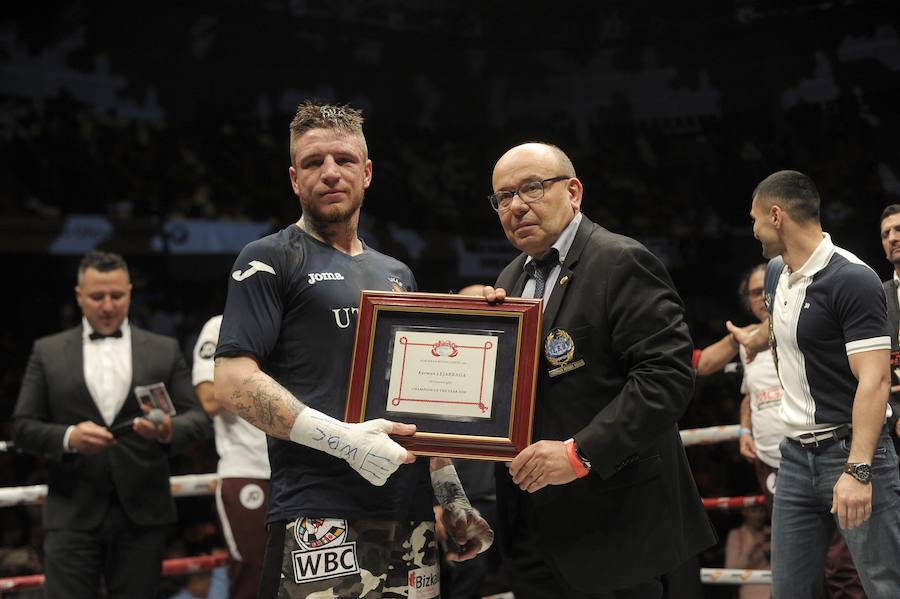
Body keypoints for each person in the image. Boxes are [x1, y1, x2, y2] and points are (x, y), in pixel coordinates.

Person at [212, 101, 492, 598]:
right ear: (294, 179)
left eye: (343, 159)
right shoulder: (268, 258)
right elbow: (232, 382)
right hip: (318, 513)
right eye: (313, 162)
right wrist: (344, 440)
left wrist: (451, 495)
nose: (329, 172)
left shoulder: (398, 274)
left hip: (408, 512)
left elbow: (422, 400)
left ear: (367, 173)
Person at [482, 142, 715, 598]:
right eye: (503, 197)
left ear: (573, 191)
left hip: (619, 525)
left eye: (531, 187)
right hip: (536, 530)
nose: (516, 205)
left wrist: (579, 453)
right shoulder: (509, 279)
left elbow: (665, 379)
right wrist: (478, 337)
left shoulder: (619, 260)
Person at [12, 250, 211, 599]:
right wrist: (69, 437)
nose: (107, 306)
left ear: (130, 293)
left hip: (142, 512)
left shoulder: (163, 350)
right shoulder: (48, 351)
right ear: (78, 296)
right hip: (72, 511)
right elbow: (23, 427)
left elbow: (196, 419)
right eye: (97, 296)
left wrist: (167, 431)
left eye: (116, 296)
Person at [747, 169, 900, 597]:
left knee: (885, 585)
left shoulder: (852, 278)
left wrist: (858, 468)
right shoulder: (777, 273)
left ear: (776, 215)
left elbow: (876, 378)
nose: (754, 230)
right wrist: (752, 338)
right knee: (790, 591)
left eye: (756, 219)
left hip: (851, 449)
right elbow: (791, 325)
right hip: (794, 458)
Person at [707, 264, 865, 597]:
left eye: (767, 287)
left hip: (819, 449)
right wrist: (743, 430)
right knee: (798, 560)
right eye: (754, 292)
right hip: (771, 460)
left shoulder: (806, 322)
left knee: (841, 558)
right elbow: (745, 389)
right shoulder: (747, 338)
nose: (762, 296)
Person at [192, 314, 270, 599]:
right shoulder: (220, 327)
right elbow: (211, 399)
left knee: (305, 573)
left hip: (302, 466)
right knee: (254, 573)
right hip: (247, 469)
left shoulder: (300, 320)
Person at [877, 204, 900, 454]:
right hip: (895, 435)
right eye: (886, 234)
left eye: (898, 229)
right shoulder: (875, 297)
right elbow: (869, 369)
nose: (892, 238)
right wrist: (896, 417)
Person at [724, 506, 772, 599]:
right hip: (750, 593)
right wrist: (751, 547)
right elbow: (730, 570)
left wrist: (771, 551)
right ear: (745, 512)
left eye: (762, 510)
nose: (759, 515)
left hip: (775, 591)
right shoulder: (737, 535)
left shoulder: (772, 532)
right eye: (754, 510)